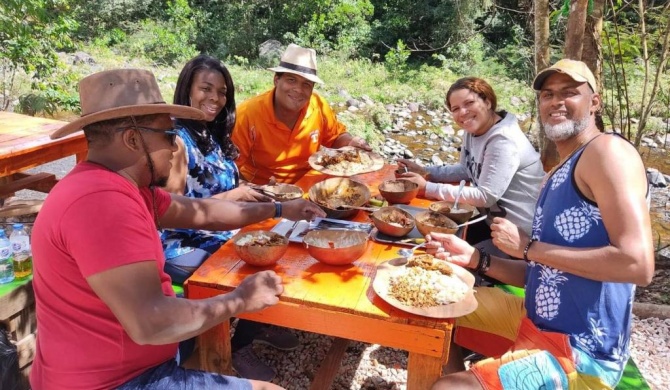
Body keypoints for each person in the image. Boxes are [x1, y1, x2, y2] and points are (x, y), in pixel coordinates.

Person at [31, 68, 325, 390]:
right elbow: (151, 323)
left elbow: (206, 212)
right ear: (132, 139)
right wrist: (240, 299)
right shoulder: (101, 202)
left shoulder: (124, 187)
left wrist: (280, 208)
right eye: (169, 136)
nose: (175, 147)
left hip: (130, 365)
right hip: (115, 382)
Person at [429, 59, 655, 389]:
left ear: (594, 102)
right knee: (434, 306)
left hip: (580, 352)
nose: (555, 102)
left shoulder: (607, 152)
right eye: (548, 94)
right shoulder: (559, 171)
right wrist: (477, 259)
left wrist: (528, 247)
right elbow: (543, 267)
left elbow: (637, 264)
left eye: (569, 93)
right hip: (533, 318)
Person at [163, 55, 299, 381]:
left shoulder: (211, 133)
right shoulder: (178, 140)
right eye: (205, 89)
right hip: (184, 244)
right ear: (187, 90)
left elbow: (224, 185)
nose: (214, 98)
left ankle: (266, 322)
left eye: (221, 92)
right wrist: (233, 197)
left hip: (222, 230)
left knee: (286, 241)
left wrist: (252, 189)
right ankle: (237, 347)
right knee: (264, 261)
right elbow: (169, 211)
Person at [397, 77, 544, 257]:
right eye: (456, 109)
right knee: (425, 241)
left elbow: (485, 196)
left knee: (441, 259)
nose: (463, 113)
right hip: (493, 224)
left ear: (488, 101)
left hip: (521, 239)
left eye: (469, 103)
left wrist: (427, 188)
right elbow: (466, 169)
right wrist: (426, 172)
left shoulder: (503, 140)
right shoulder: (473, 131)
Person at [232, 43, 372, 184]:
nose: (298, 89)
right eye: (291, 80)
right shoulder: (248, 114)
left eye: (306, 84)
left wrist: (350, 142)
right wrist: (253, 193)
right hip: (265, 190)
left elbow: (335, 137)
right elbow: (229, 169)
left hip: (310, 186)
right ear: (276, 80)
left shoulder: (318, 105)